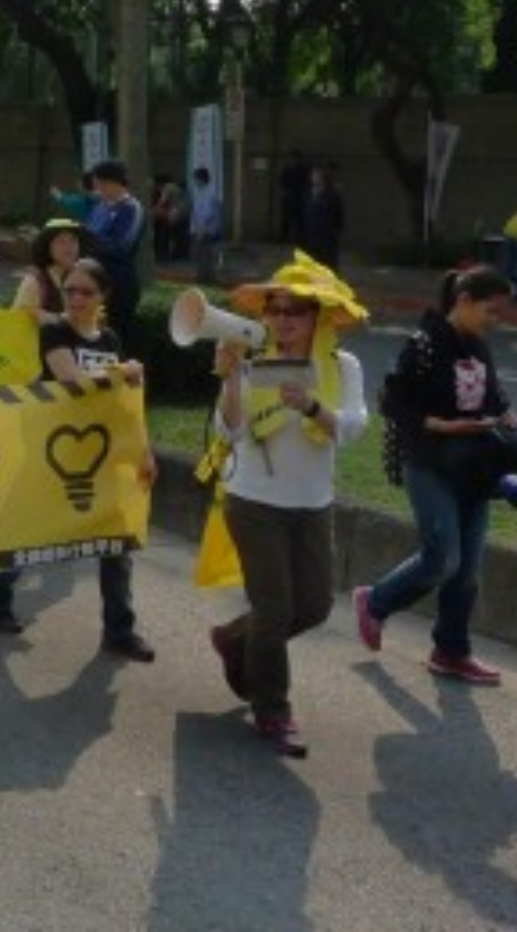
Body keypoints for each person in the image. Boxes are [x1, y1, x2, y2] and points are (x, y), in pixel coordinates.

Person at [206, 253, 368, 757]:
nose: (282, 319)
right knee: (274, 609)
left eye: (295, 310)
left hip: (312, 503)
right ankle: (272, 710)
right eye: (274, 309)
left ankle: (235, 639)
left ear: (318, 317)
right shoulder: (250, 359)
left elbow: (354, 427)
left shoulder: (342, 367)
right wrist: (231, 378)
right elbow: (227, 430)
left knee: (315, 606)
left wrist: (314, 406)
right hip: (254, 501)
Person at [0, 260, 157, 658]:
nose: (75, 299)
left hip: (100, 455)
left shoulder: (109, 339)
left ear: (103, 297)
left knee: (116, 540)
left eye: (85, 292)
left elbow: (126, 406)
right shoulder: (54, 331)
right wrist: (121, 374)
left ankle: (119, 629)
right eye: (70, 290)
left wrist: (143, 452)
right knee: (25, 526)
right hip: (49, 449)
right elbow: (71, 382)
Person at [353, 266, 517, 685]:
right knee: (443, 556)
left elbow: (493, 394)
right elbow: (393, 402)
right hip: (429, 463)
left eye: (501, 313)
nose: (495, 321)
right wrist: (445, 427)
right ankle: (375, 601)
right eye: (490, 311)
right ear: (463, 301)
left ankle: (451, 651)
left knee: (467, 570)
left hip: (474, 467)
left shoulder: (479, 346)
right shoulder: (423, 345)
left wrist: (504, 414)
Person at [83, 160, 145, 342]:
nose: (97, 190)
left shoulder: (131, 208)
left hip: (119, 284)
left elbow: (121, 245)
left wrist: (86, 240)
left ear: (112, 182)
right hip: (95, 280)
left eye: (99, 185)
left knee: (117, 337)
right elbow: (86, 232)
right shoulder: (100, 207)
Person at [11, 218, 84, 326]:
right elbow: (17, 318)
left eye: (73, 240)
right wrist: (57, 319)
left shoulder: (83, 277)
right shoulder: (35, 281)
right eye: (61, 242)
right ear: (47, 247)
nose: (69, 247)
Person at [189, 167, 225, 285]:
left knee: (209, 255)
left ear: (202, 179)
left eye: (196, 179)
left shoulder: (210, 193)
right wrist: (195, 227)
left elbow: (208, 214)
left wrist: (202, 230)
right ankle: (202, 277)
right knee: (201, 255)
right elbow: (195, 211)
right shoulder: (199, 192)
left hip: (209, 230)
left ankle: (210, 279)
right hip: (201, 229)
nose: (195, 182)